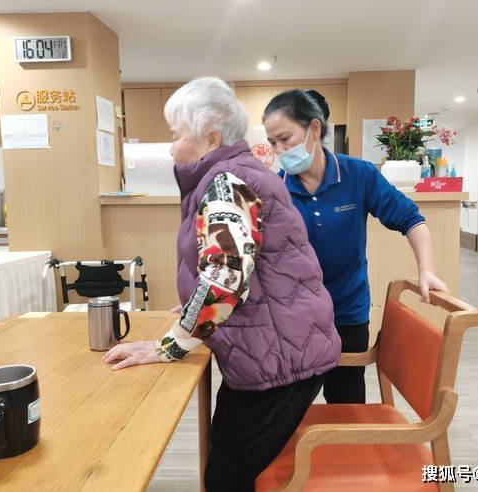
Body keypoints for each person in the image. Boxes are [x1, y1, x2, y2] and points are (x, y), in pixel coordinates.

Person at [103, 77, 340, 492]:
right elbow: (237, 272)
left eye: (176, 135)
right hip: (273, 348)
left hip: (280, 360)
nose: (170, 148)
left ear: (211, 138)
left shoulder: (228, 182)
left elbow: (224, 279)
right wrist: (193, 310)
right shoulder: (236, 174)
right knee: (227, 467)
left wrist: (168, 346)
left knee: (225, 479)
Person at [262, 89, 449, 404]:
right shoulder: (274, 189)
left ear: (314, 129)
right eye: (273, 143)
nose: (279, 151)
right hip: (295, 315)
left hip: (347, 311)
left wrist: (426, 269)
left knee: (346, 400)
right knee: (290, 407)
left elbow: (412, 221)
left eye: (285, 139)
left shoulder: (358, 175)